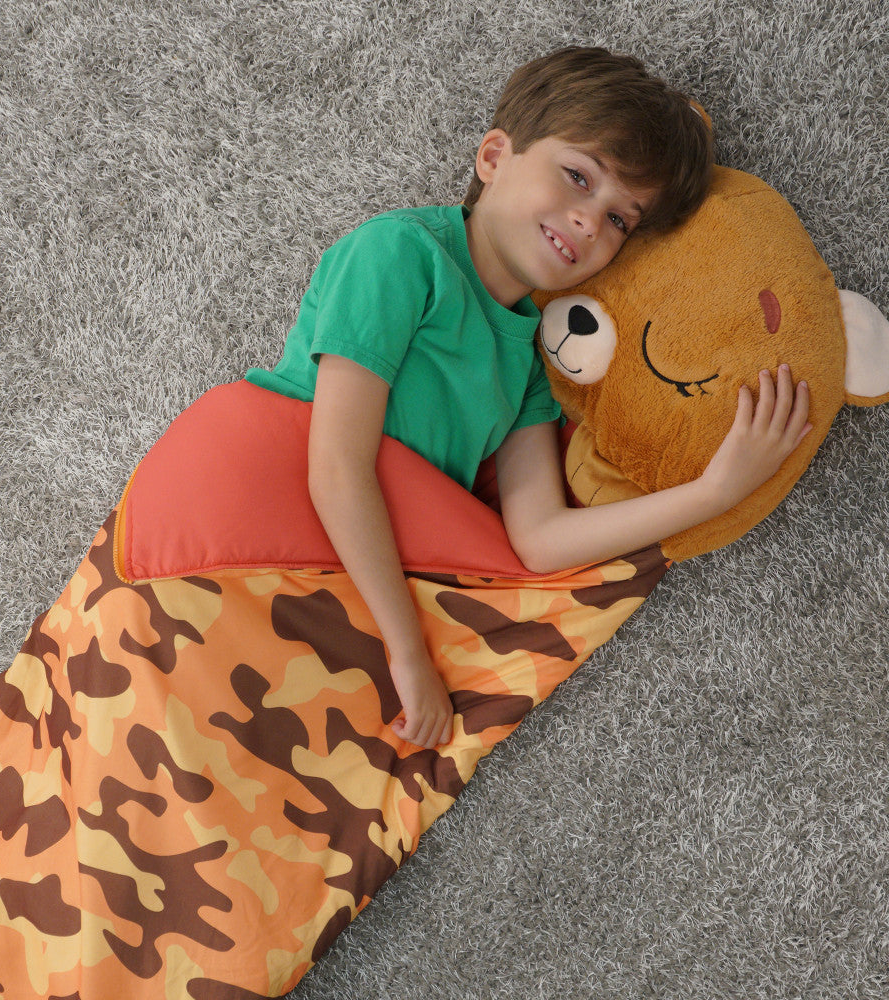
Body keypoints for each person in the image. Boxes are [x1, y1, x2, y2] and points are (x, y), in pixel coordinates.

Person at [246, 47, 811, 751]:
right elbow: (335, 466)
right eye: (578, 177)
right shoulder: (399, 255)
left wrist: (715, 490)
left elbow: (541, 540)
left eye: (619, 220)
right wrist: (410, 653)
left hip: (353, 578)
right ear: (494, 157)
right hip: (275, 529)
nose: (589, 222)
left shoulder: (528, 364)